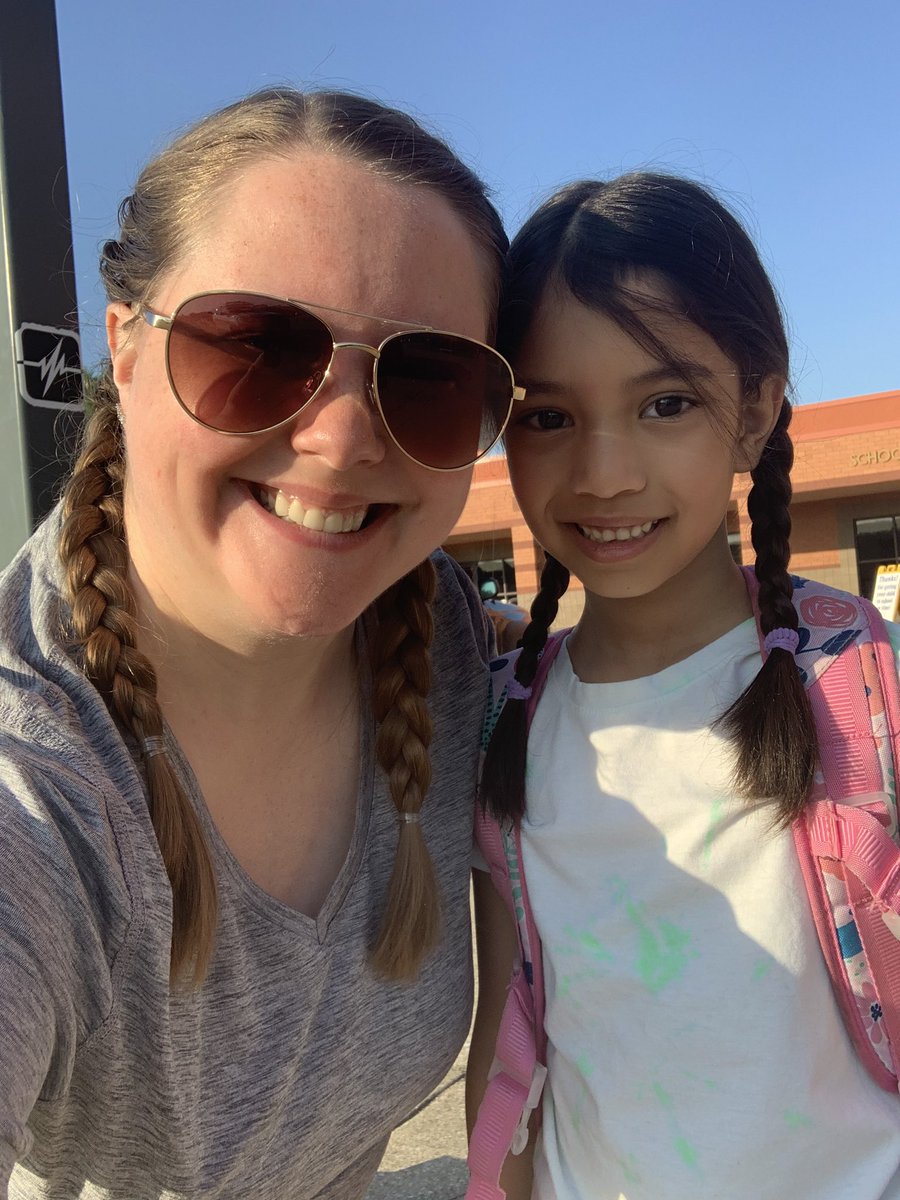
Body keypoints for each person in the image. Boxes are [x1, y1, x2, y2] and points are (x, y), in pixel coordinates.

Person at [0, 87, 523, 1198]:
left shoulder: (451, 652)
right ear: (125, 348)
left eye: (425, 380)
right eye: (254, 346)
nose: (337, 442)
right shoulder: (34, 780)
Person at [466, 174, 900, 1199]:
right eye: (548, 416)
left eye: (666, 403)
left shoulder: (861, 683)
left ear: (755, 409)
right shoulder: (506, 723)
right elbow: (506, 1044)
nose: (606, 472)